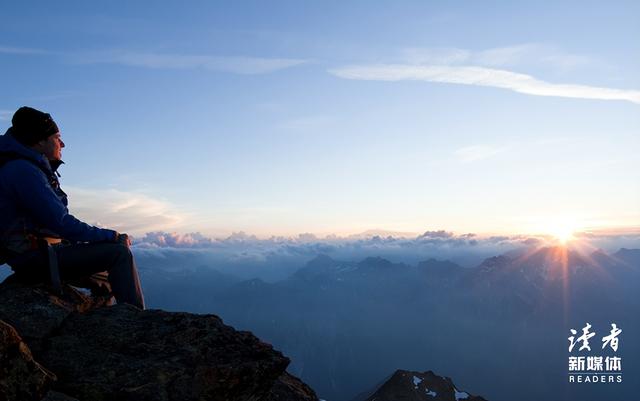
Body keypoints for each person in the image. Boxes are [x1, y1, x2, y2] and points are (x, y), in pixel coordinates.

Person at [0, 106, 145, 309]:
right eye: (57, 137)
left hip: (40, 254)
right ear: (40, 140)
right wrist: (111, 236)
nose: (62, 144)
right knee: (119, 254)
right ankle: (137, 325)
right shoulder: (23, 172)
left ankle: (114, 322)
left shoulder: (27, 168)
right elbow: (61, 223)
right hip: (37, 259)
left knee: (109, 278)